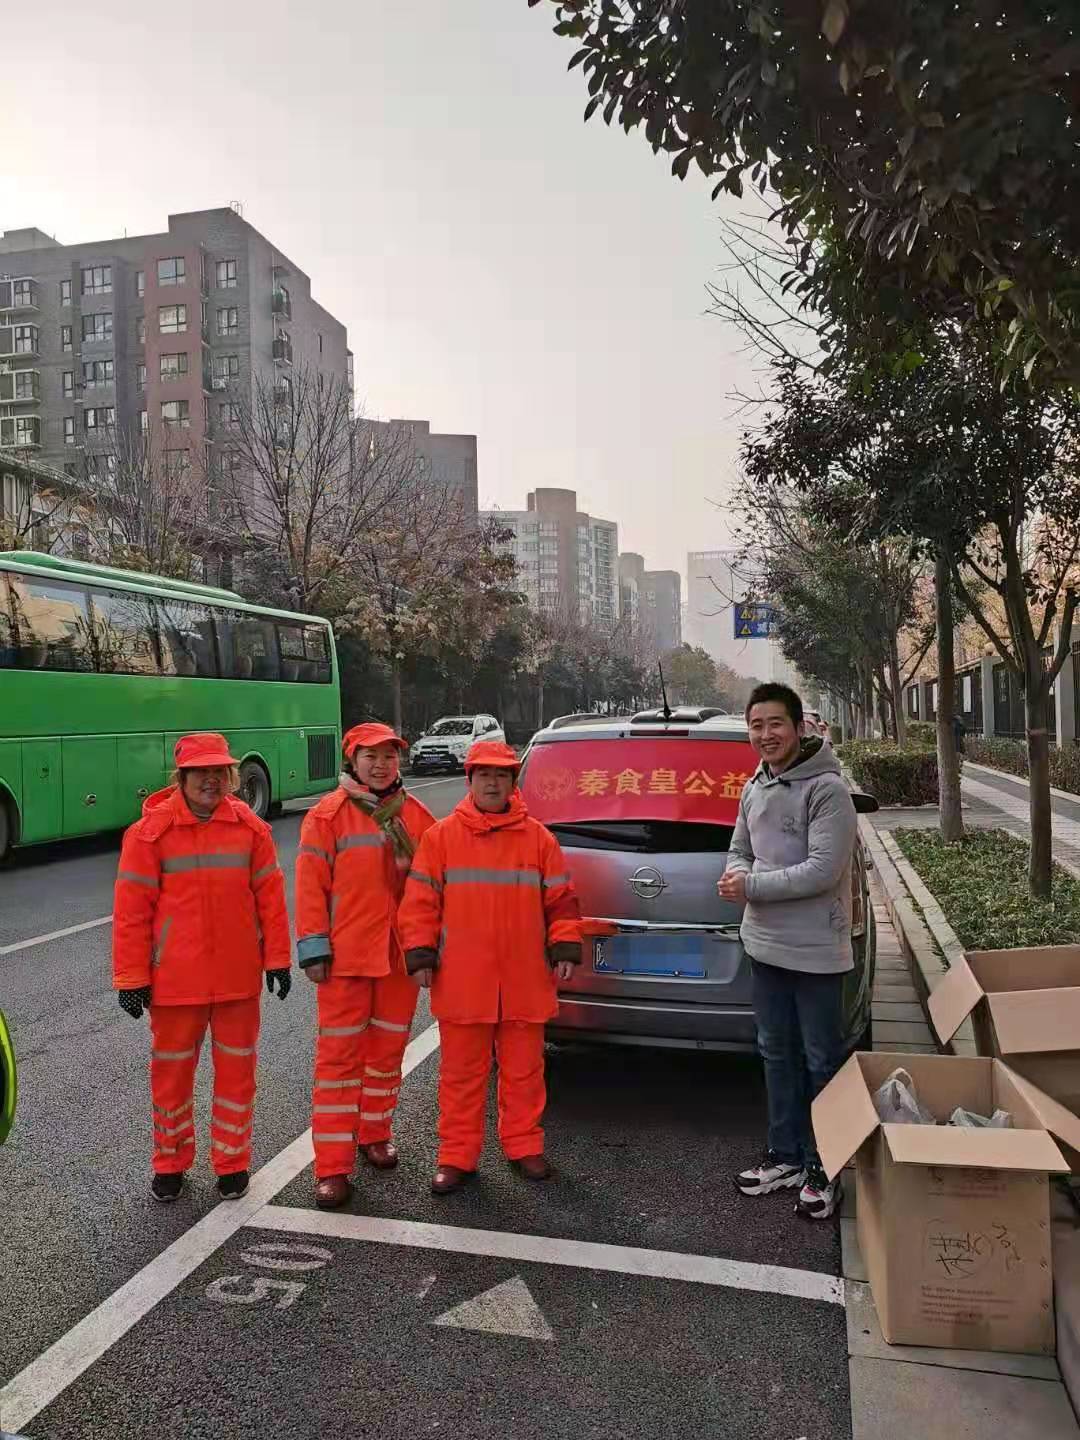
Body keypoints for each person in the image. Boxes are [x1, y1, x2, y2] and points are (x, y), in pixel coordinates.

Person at [112, 733, 291, 1203]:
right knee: (170, 1078)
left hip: (236, 979)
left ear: (231, 777)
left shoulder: (251, 829)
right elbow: (132, 912)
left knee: (237, 1076)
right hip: (175, 982)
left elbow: (270, 899)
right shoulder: (149, 834)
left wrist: (277, 958)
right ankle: (169, 1164)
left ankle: (232, 1164)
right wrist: (131, 978)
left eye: (220, 772)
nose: (212, 780)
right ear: (182, 778)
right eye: (201, 773)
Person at [399, 739, 581, 1195]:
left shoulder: (539, 838)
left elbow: (561, 903)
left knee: (524, 1072)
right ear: (471, 781)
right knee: (461, 1076)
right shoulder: (441, 838)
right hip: (463, 980)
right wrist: (420, 954)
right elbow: (420, 904)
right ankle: (456, 1156)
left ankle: (523, 1147)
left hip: (524, 979)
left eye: (502, 775)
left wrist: (564, 948)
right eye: (484, 775)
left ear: (512, 784)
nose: (493, 783)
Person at [718, 683, 857, 1220]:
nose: (765, 735)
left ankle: (827, 1164)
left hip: (817, 953)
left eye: (775, 724)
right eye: (756, 725)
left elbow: (823, 872)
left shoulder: (827, 790)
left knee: (822, 1059)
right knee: (775, 1054)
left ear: (800, 728)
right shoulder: (753, 787)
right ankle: (786, 1155)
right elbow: (739, 849)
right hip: (765, 946)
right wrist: (740, 874)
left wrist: (751, 886)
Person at [295, 722, 436, 1211]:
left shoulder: (416, 817)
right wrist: (313, 947)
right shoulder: (327, 817)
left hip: (399, 958)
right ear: (352, 760)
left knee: (386, 1053)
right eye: (370, 756)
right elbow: (311, 887)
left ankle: (374, 1132)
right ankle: (331, 1166)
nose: (381, 765)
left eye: (389, 757)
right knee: (337, 1064)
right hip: (345, 958)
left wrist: (429, 947)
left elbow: (431, 886)